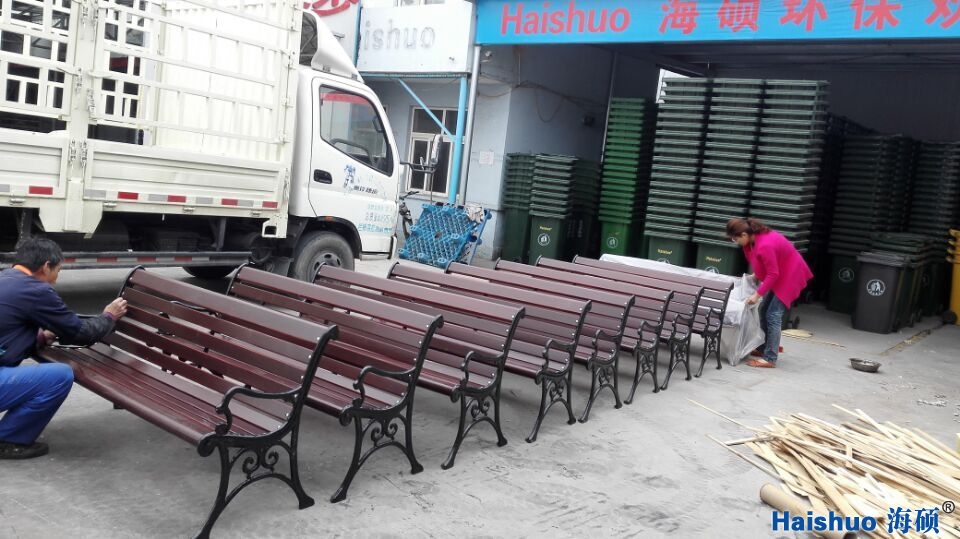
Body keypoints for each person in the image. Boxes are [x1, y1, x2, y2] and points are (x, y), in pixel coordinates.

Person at [0, 238, 127, 459]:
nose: (57, 279)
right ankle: (10, 440)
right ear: (46, 266)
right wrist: (109, 316)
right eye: (58, 270)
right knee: (60, 376)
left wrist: (41, 336)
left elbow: (8, 329)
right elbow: (81, 333)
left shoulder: (5, 278)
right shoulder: (35, 290)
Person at [726, 217, 813, 369]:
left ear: (744, 235)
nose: (735, 242)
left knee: (773, 315)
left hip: (790, 274)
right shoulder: (751, 241)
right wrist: (756, 276)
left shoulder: (764, 245)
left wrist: (757, 295)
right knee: (764, 310)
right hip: (781, 272)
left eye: (735, 239)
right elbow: (760, 262)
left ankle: (770, 357)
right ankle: (763, 348)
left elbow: (773, 273)